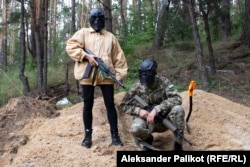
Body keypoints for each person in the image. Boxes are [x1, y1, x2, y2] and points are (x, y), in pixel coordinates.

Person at [66, 8, 128, 148]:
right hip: (87, 77)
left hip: (106, 76)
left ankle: (115, 136)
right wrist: (86, 56)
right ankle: (87, 136)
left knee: (110, 105)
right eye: (95, 18)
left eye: (101, 18)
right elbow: (71, 47)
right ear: (90, 19)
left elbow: (119, 58)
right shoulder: (83, 33)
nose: (98, 21)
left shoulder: (110, 37)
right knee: (87, 106)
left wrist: (119, 75)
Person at [119, 58, 185, 151]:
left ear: (154, 73)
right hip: (146, 122)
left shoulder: (164, 82)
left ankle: (178, 144)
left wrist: (158, 108)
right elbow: (123, 105)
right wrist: (139, 111)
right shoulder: (136, 87)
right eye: (143, 73)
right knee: (135, 128)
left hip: (164, 120)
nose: (145, 77)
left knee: (178, 109)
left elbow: (177, 98)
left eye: (148, 74)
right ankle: (147, 139)